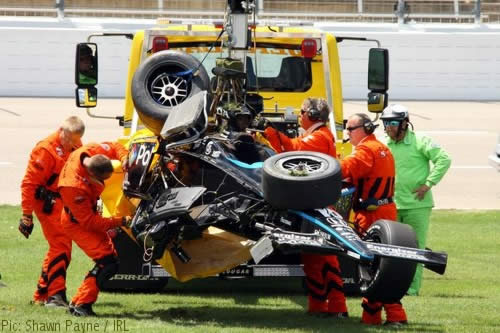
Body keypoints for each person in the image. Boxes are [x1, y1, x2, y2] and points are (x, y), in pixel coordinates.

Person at [264, 97, 348, 318]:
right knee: (311, 259)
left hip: (321, 207)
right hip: (311, 204)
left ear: (312, 115)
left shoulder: (319, 137)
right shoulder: (315, 135)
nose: (298, 116)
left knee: (326, 258)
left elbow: (293, 150)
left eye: (301, 112)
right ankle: (318, 305)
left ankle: (338, 307)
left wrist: (272, 132)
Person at [340, 113, 407, 326]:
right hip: (386, 210)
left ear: (365, 128)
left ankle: (389, 316)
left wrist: (323, 166)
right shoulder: (382, 148)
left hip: (371, 214)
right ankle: (373, 317)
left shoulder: (365, 150)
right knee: (383, 264)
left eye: (350, 129)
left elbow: (344, 169)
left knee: (372, 267)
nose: (347, 134)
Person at [380, 104, 451, 296]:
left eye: (393, 123)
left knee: (416, 249)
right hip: (391, 205)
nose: (388, 127)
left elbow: (444, 159)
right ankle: (391, 286)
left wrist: (429, 183)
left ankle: (411, 289)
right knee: (390, 249)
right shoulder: (384, 144)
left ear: (404, 123)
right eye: (386, 123)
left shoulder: (420, 141)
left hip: (417, 206)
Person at [58, 142, 132, 317]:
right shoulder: (72, 186)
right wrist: (120, 221)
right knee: (107, 262)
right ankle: (82, 305)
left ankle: (78, 302)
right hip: (77, 223)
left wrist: (124, 158)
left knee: (110, 260)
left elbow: (115, 146)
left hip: (86, 215)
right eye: (104, 179)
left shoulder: (91, 151)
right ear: (92, 173)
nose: (105, 183)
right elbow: (89, 222)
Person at [19, 116, 85, 307]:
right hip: (47, 202)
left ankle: (42, 294)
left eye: (74, 141)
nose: (70, 144)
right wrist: (26, 215)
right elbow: (29, 183)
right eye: (68, 139)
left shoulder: (75, 143)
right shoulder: (45, 150)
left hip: (63, 201)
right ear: (61, 130)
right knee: (61, 245)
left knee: (59, 246)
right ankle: (55, 295)